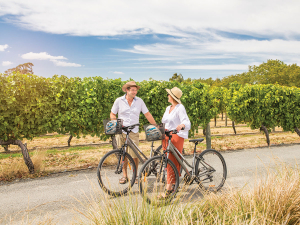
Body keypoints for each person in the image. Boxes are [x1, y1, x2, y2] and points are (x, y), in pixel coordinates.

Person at [110, 81, 156, 184]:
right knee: (123, 154)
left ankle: (135, 176)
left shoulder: (139, 101)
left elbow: (147, 114)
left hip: (133, 131)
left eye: (136, 90)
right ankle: (125, 176)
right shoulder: (119, 101)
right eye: (132, 90)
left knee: (135, 155)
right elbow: (112, 114)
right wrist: (116, 122)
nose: (135, 92)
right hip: (121, 131)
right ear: (127, 90)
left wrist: (155, 125)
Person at [160, 87, 191, 198]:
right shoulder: (168, 107)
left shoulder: (180, 108)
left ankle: (170, 187)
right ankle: (172, 184)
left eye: (168, 95)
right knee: (167, 160)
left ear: (172, 97)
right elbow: (164, 122)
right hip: (166, 135)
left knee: (172, 160)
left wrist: (182, 125)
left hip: (176, 135)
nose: (167, 96)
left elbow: (186, 122)